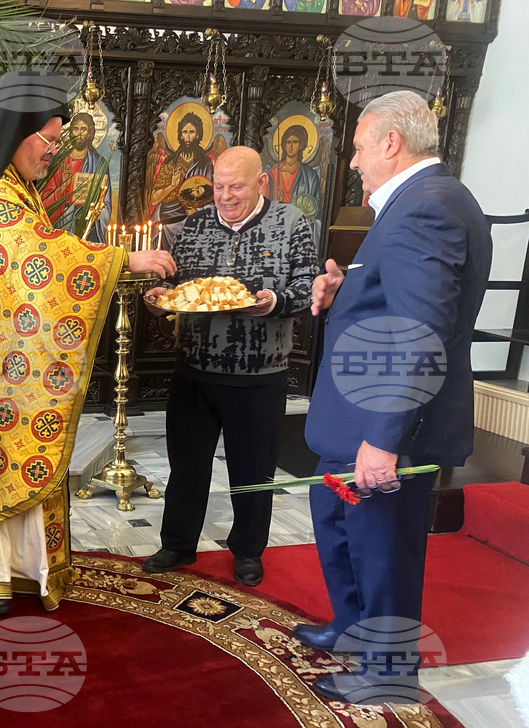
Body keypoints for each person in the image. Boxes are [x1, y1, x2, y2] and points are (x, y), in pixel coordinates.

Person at [0, 71, 175, 615]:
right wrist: (123, 260)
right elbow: (38, 259)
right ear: (17, 132)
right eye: (48, 142)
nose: (54, 155)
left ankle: (10, 567)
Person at [297, 91, 491, 703]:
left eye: (357, 148)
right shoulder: (421, 202)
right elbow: (397, 298)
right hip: (353, 422)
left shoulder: (425, 208)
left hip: (382, 428)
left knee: (382, 548)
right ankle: (355, 628)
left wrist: (383, 440)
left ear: (390, 143)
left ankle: (388, 670)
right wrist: (345, 285)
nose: (351, 162)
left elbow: (422, 332)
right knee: (339, 526)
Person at [141, 146, 317, 586]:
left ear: (261, 182)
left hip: (261, 375)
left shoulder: (292, 223)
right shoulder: (194, 225)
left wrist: (273, 302)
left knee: (253, 469)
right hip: (195, 370)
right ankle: (178, 544)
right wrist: (159, 301)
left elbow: (306, 289)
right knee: (187, 466)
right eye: (219, 186)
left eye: (235, 186)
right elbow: (180, 288)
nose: (225, 195)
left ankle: (248, 551)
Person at [40, 111, 112, 243]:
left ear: (90, 133)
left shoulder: (99, 164)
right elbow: (44, 199)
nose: (79, 133)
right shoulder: (59, 161)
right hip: (61, 224)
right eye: (76, 129)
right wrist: (62, 190)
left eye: (83, 129)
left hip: (88, 227)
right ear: (71, 132)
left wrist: (92, 208)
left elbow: (105, 203)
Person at [150, 112, 214, 246]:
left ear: (198, 135)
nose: (187, 137)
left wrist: (196, 212)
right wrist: (172, 186)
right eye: (184, 132)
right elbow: (154, 199)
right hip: (164, 225)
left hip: (190, 225)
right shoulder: (170, 161)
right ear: (180, 134)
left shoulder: (204, 163)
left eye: (191, 132)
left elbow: (210, 198)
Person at [267, 125, 321, 220]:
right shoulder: (272, 175)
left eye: (295, 142)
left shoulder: (310, 176)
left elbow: (314, 209)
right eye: (288, 142)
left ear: (301, 145)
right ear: (284, 145)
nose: (291, 146)